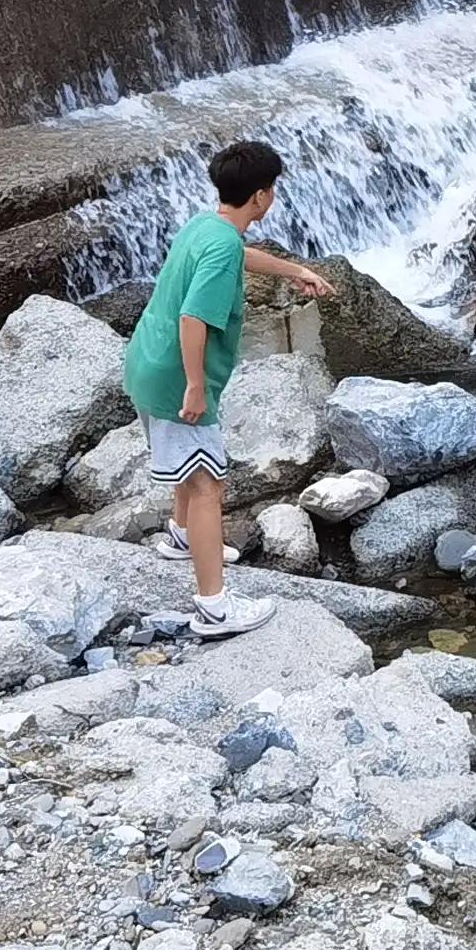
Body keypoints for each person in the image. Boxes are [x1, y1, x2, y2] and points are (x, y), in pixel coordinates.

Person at [120, 138, 333, 640]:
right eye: (272, 188)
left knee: (190, 470)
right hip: (175, 378)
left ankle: (181, 537)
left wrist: (296, 271)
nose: (273, 195)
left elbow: (239, 254)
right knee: (207, 484)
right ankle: (214, 608)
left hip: (146, 362)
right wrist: (195, 387)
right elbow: (193, 317)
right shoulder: (220, 246)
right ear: (261, 196)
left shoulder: (207, 226)